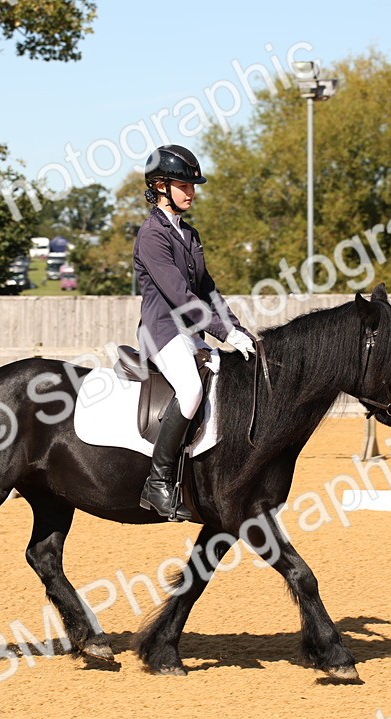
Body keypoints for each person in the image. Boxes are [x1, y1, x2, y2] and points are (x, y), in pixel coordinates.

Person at [133, 144, 255, 521]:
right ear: (160, 186)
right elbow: (180, 297)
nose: (192, 192)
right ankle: (158, 482)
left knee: (227, 380)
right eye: (184, 185)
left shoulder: (189, 233)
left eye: (193, 185)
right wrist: (222, 333)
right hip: (162, 331)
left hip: (190, 334)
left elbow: (208, 291)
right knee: (191, 390)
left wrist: (237, 330)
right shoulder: (152, 235)